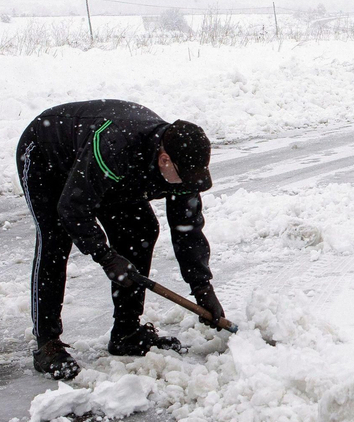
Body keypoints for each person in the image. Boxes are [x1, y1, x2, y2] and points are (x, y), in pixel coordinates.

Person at [15, 100, 224, 380]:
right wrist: (106, 257)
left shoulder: (181, 164)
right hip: (48, 156)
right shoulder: (116, 146)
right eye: (184, 176)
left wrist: (202, 287)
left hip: (104, 173)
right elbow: (73, 208)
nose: (189, 183)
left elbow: (187, 229)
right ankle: (47, 343)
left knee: (141, 230)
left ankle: (127, 332)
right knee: (55, 239)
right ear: (164, 160)